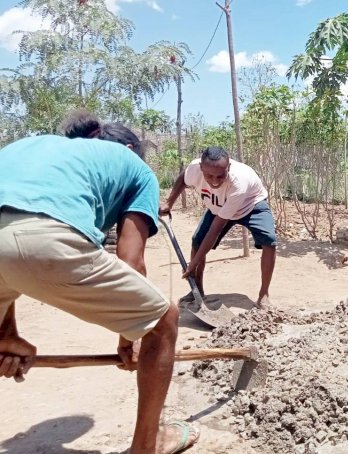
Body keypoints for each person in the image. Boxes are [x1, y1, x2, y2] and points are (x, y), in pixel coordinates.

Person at [0, 113, 199, 453]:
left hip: (16, 242)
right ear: (127, 148)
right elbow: (131, 260)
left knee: (4, 341)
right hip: (42, 241)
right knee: (163, 320)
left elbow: (10, 237)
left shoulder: (30, 146)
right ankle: (146, 447)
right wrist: (131, 338)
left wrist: (5, 332)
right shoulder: (133, 165)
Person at [160, 146, 277, 306]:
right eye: (209, 175)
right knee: (198, 241)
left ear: (228, 168)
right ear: (201, 168)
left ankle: (264, 295)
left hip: (251, 205)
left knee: (269, 241)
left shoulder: (239, 181)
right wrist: (169, 202)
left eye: (221, 176)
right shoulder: (194, 168)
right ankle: (197, 290)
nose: (215, 181)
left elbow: (216, 228)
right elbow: (183, 179)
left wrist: (192, 264)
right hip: (219, 207)